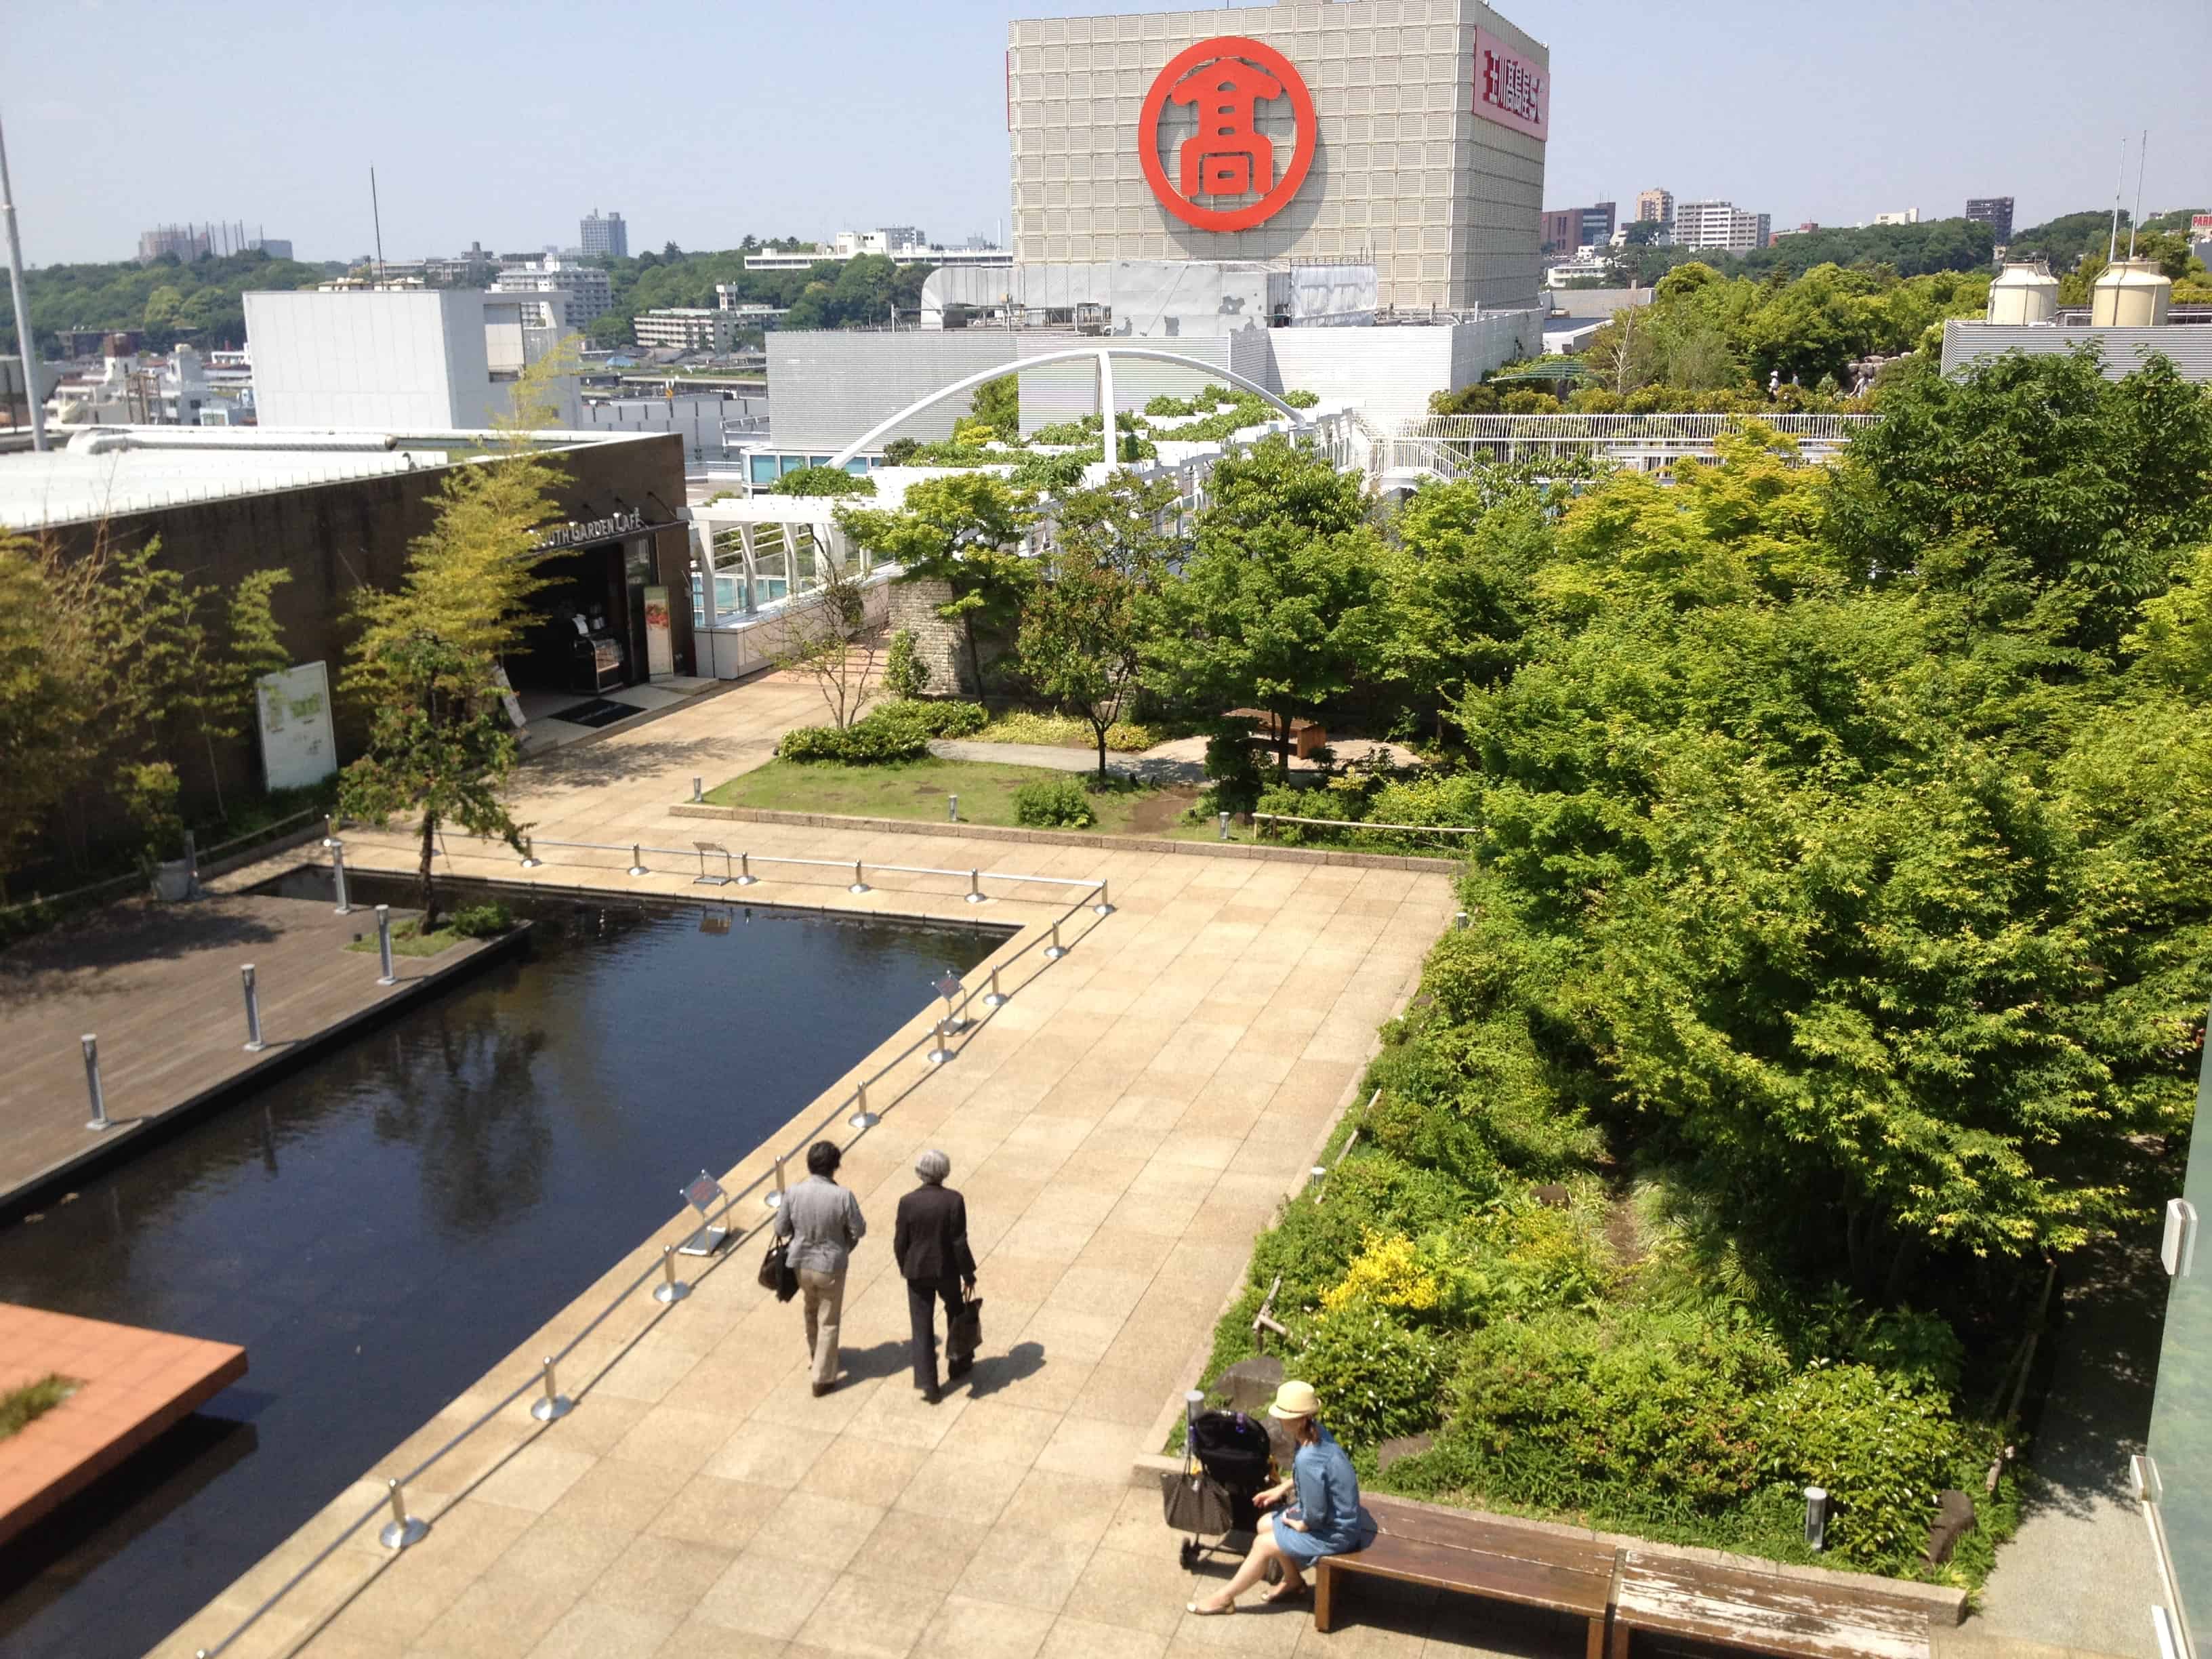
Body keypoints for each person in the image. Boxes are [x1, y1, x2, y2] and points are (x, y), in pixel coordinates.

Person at [1187, 1380, 1373, 1616]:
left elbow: (1315, 1513)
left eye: (1284, 1415)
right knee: (1264, 1523)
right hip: (1336, 1518)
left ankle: (1224, 1599)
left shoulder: (1308, 1456)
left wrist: (1301, 1524)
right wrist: (1281, 1489)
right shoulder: (1316, 1434)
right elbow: (1317, 1479)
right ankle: (1294, 1582)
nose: (1279, 1419)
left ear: (1301, 1418)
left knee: (1263, 1544)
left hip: (1336, 1533)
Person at [774, 1139, 866, 1397]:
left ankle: (817, 1354)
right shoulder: (842, 1196)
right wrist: (846, 1244)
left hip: (801, 1263)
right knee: (829, 1320)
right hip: (831, 1265)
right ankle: (822, 1377)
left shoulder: (793, 1193)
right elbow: (859, 1229)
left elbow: (780, 1229)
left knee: (811, 1309)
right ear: (834, 1166)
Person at [893, 1148, 977, 1404]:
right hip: (947, 1270)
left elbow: (900, 1241)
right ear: (945, 1172)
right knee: (955, 1314)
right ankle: (958, 1363)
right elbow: (959, 1242)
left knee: (921, 1326)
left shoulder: (907, 1202)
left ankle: (929, 1383)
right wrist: (968, 1273)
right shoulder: (954, 1200)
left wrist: (904, 1266)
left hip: (917, 1272)